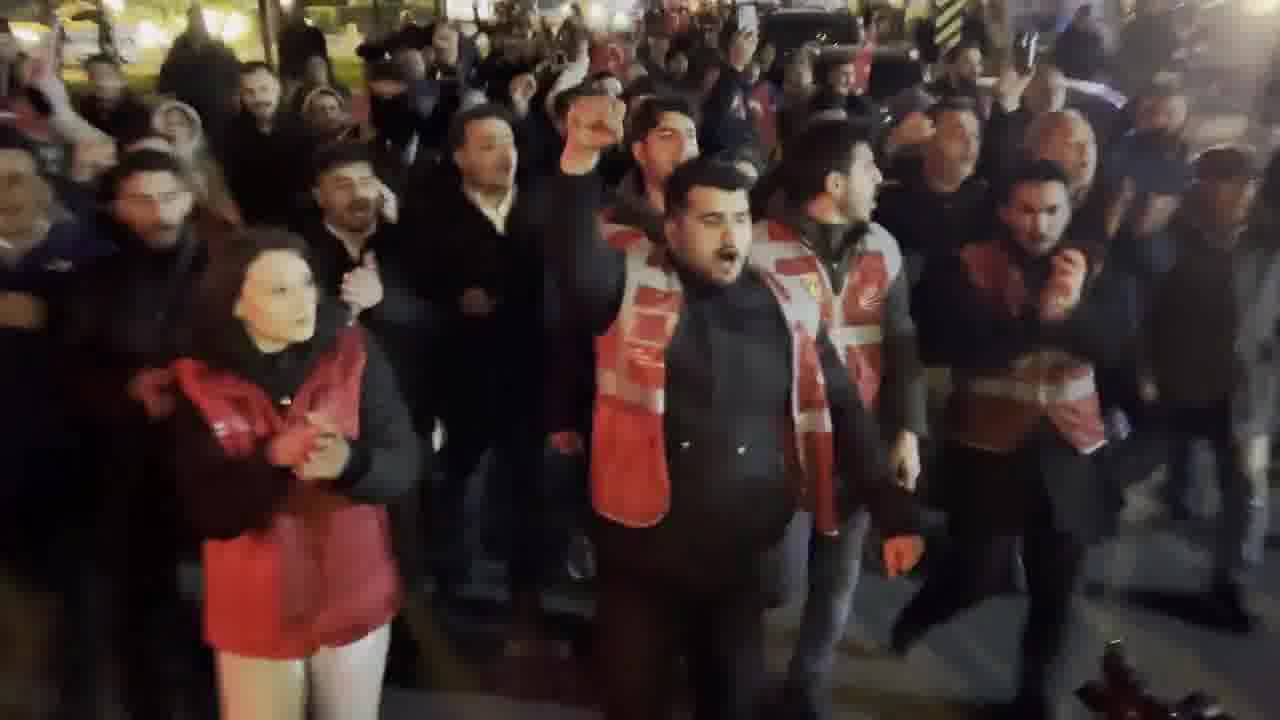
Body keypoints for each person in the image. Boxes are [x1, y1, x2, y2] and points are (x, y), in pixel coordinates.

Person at [548, 93, 924, 720]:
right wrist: (578, 160)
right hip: (643, 554)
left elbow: (844, 408)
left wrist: (895, 509)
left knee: (732, 702)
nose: (732, 237)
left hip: (738, 559)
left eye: (741, 220)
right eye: (712, 221)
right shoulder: (631, 285)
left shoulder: (787, 305)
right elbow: (574, 263)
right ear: (673, 227)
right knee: (633, 702)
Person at [894, 159, 1133, 720]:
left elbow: (1119, 349)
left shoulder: (1096, 266)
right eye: (1026, 209)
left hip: (1072, 451)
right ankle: (918, 617)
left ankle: (1035, 700)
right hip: (988, 450)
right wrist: (1040, 321)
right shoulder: (965, 265)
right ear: (1004, 210)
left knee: (1058, 591)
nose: (1039, 223)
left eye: (1052, 210)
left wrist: (1071, 312)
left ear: (1070, 209)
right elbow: (952, 344)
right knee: (977, 573)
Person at [169, 227, 419, 720]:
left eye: (307, 283)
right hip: (255, 607)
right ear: (236, 304)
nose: (303, 300)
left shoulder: (354, 352)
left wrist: (350, 463)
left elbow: (403, 463)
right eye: (279, 290)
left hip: (353, 591)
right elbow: (207, 511)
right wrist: (273, 462)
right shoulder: (197, 382)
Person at [756, 119, 926, 720]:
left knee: (840, 576)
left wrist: (906, 430)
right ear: (832, 183)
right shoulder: (758, 250)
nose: (879, 177)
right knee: (777, 578)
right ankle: (731, 666)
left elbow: (901, 340)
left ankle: (806, 689)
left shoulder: (883, 244)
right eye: (866, 168)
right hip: (783, 441)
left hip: (863, 439)